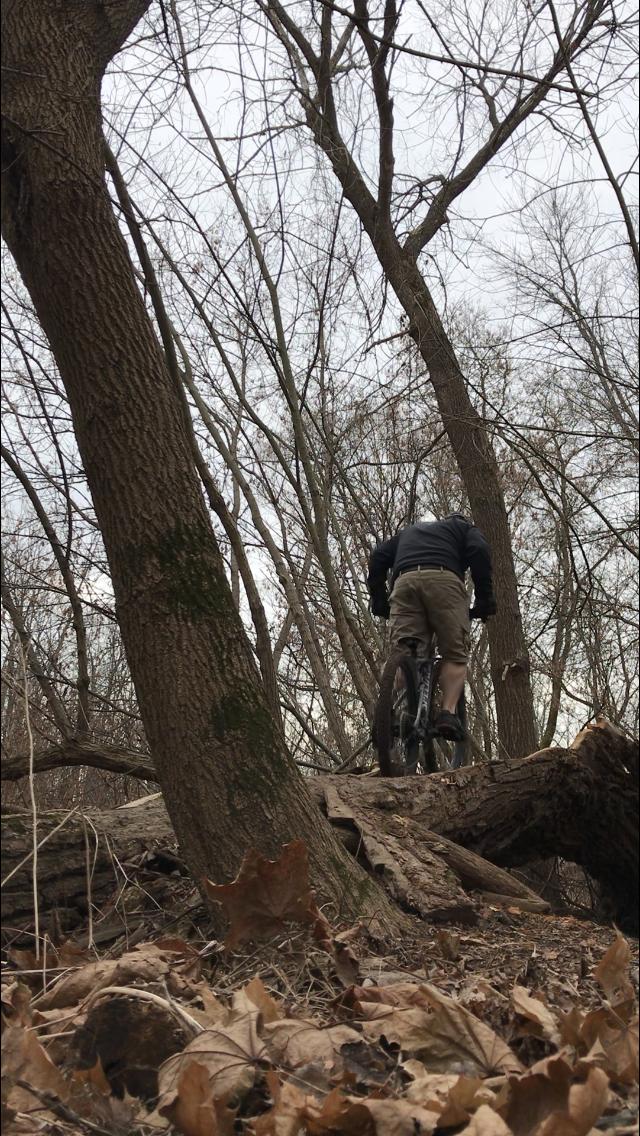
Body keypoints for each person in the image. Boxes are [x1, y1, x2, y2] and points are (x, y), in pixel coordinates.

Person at [367, 513, 496, 741]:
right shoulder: (463, 528)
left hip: (404, 583)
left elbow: (377, 556)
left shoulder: (410, 532)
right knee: (455, 654)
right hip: (444, 580)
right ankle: (447, 714)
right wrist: (485, 599)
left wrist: (379, 599)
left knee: (405, 652)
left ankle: (386, 713)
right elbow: (478, 550)